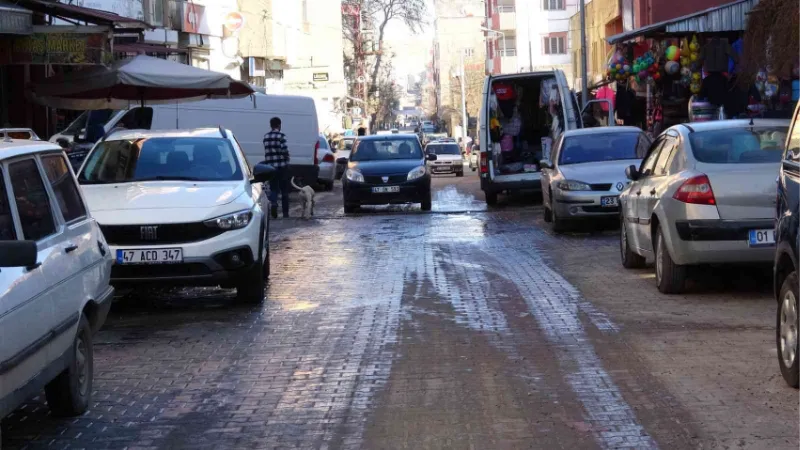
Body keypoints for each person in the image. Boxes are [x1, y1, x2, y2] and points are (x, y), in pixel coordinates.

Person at [263, 117, 291, 218]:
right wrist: (287, 158)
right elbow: (284, 150)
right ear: (279, 125)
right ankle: (285, 213)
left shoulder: (266, 137)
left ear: (271, 125)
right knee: (284, 190)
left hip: (270, 167)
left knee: (273, 188)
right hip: (282, 167)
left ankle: (274, 204)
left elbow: (267, 152)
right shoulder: (281, 136)